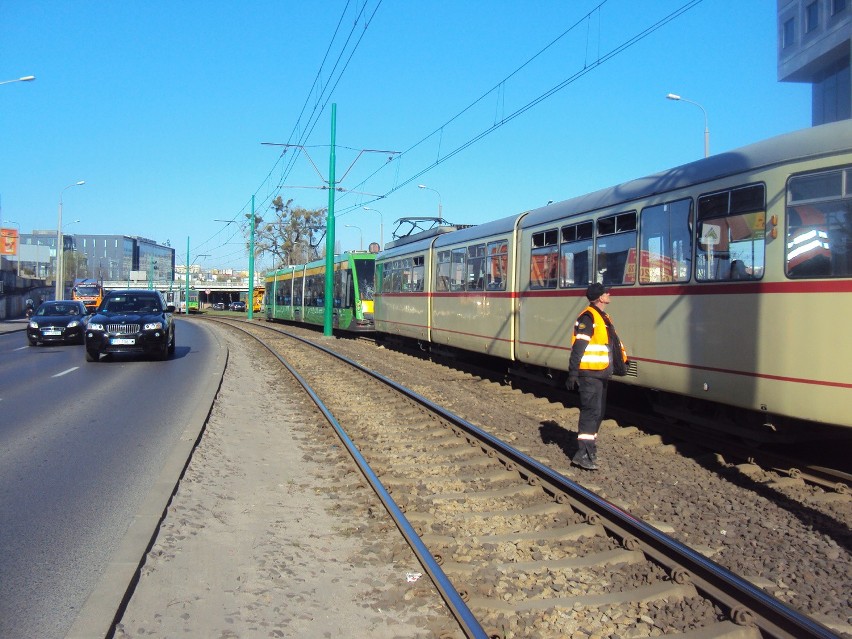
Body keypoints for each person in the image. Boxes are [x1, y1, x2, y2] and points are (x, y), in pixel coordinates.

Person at [566, 282, 628, 470]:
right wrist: (573, 373)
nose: (609, 294)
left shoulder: (603, 317)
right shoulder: (588, 317)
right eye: (606, 293)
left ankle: (589, 450)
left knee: (598, 413)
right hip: (590, 373)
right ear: (600, 298)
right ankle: (582, 454)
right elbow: (579, 347)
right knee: (591, 412)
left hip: (601, 372)